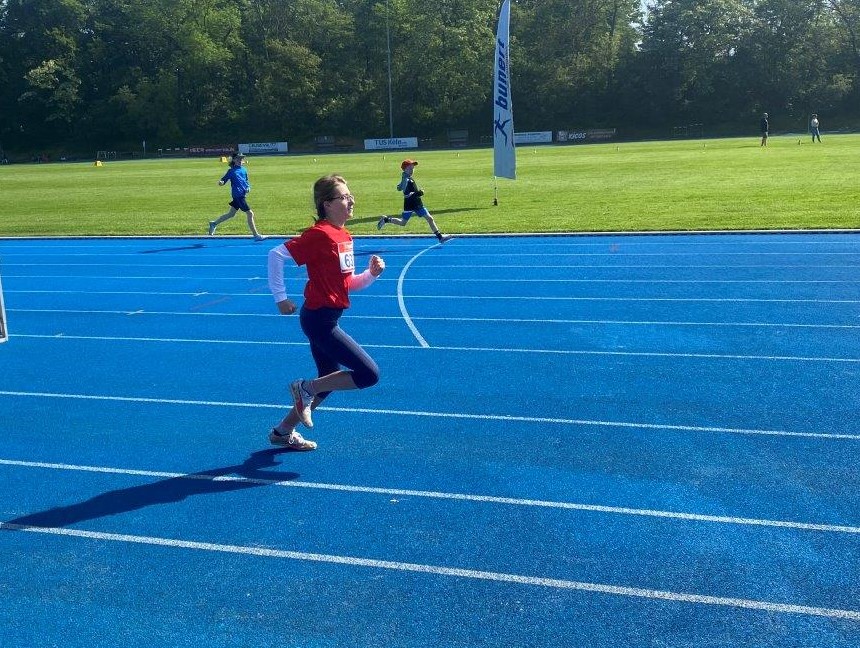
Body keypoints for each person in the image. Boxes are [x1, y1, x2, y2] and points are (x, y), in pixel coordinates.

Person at [266, 174, 385, 450]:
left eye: (350, 195)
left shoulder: (344, 235)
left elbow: (347, 283)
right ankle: (304, 388)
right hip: (320, 320)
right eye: (344, 197)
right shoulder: (319, 234)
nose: (351, 201)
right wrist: (280, 298)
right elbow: (276, 255)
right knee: (369, 374)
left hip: (327, 317)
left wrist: (371, 274)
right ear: (326, 204)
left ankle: (283, 431)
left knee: (328, 379)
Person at [377, 159, 452, 243]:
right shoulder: (406, 179)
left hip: (417, 203)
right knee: (403, 222)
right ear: (405, 169)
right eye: (410, 168)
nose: (412, 170)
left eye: (413, 168)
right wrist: (420, 193)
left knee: (430, 218)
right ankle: (386, 219)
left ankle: (440, 238)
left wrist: (413, 192)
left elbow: (401, 188)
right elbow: (406, 193)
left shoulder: (408, 177)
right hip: (410, 204)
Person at [208, 152, 264, 240]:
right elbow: (223, 180)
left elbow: (246, 181)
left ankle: (214, 223)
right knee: (250, 213)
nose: (240, 160)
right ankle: (256, 235)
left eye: (241, 158)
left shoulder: (244, 170)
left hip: (242, 194)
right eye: (238, 158)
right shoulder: (231, 171)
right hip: (238, 195)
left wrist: (248, 187)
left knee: (231, 214)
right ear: (234, 160)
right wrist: (221, 182)